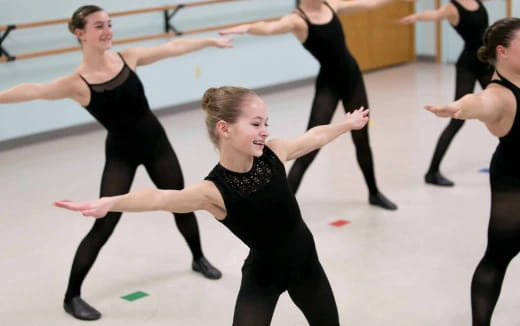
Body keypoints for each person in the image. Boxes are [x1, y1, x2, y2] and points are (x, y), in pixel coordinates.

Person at [55, 86, 370, 325]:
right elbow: (161, 198)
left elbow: (314, 137)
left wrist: (346, 125)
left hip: (307, 266)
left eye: (266, 123)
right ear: (225, 128)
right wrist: (111, 201)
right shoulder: (212, 191)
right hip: (264, 276)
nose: (266, 131)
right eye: (256, 124)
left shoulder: (274, 153)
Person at [0, 5, 232, 321]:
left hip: (157, 146)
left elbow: (171, 47)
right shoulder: (77, 83)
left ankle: (198, 258)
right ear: (80, 33)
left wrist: (209, 41)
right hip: (121, 153)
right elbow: (34, 90)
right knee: (105, 221)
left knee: (181, 203)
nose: (108, 30)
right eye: (99, 26)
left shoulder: (128, 57)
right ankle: (71, 296)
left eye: (109, 24)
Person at [219, 0, 403, 210]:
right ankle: (281, 205)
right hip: (329, 84)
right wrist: (247, 28)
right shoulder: (298, 20)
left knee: (362, 139)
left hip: (352, 78)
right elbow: (270, 28)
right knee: (309, 146)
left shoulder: (332, 5)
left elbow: (368, 4)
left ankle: (374, 193)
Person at [425, 17, 520, 326]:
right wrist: (459, 108)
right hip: (514, 182)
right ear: (502, 52)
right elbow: (478, 102)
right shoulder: (499, 96)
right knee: (498, 255)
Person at [399, 0, 494, 186]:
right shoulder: (451, 8)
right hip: (468, 65)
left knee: (503, 110)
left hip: (486, 63)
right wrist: (416, 17)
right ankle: (432, 172)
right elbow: (434, 15)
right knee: (457, 119)